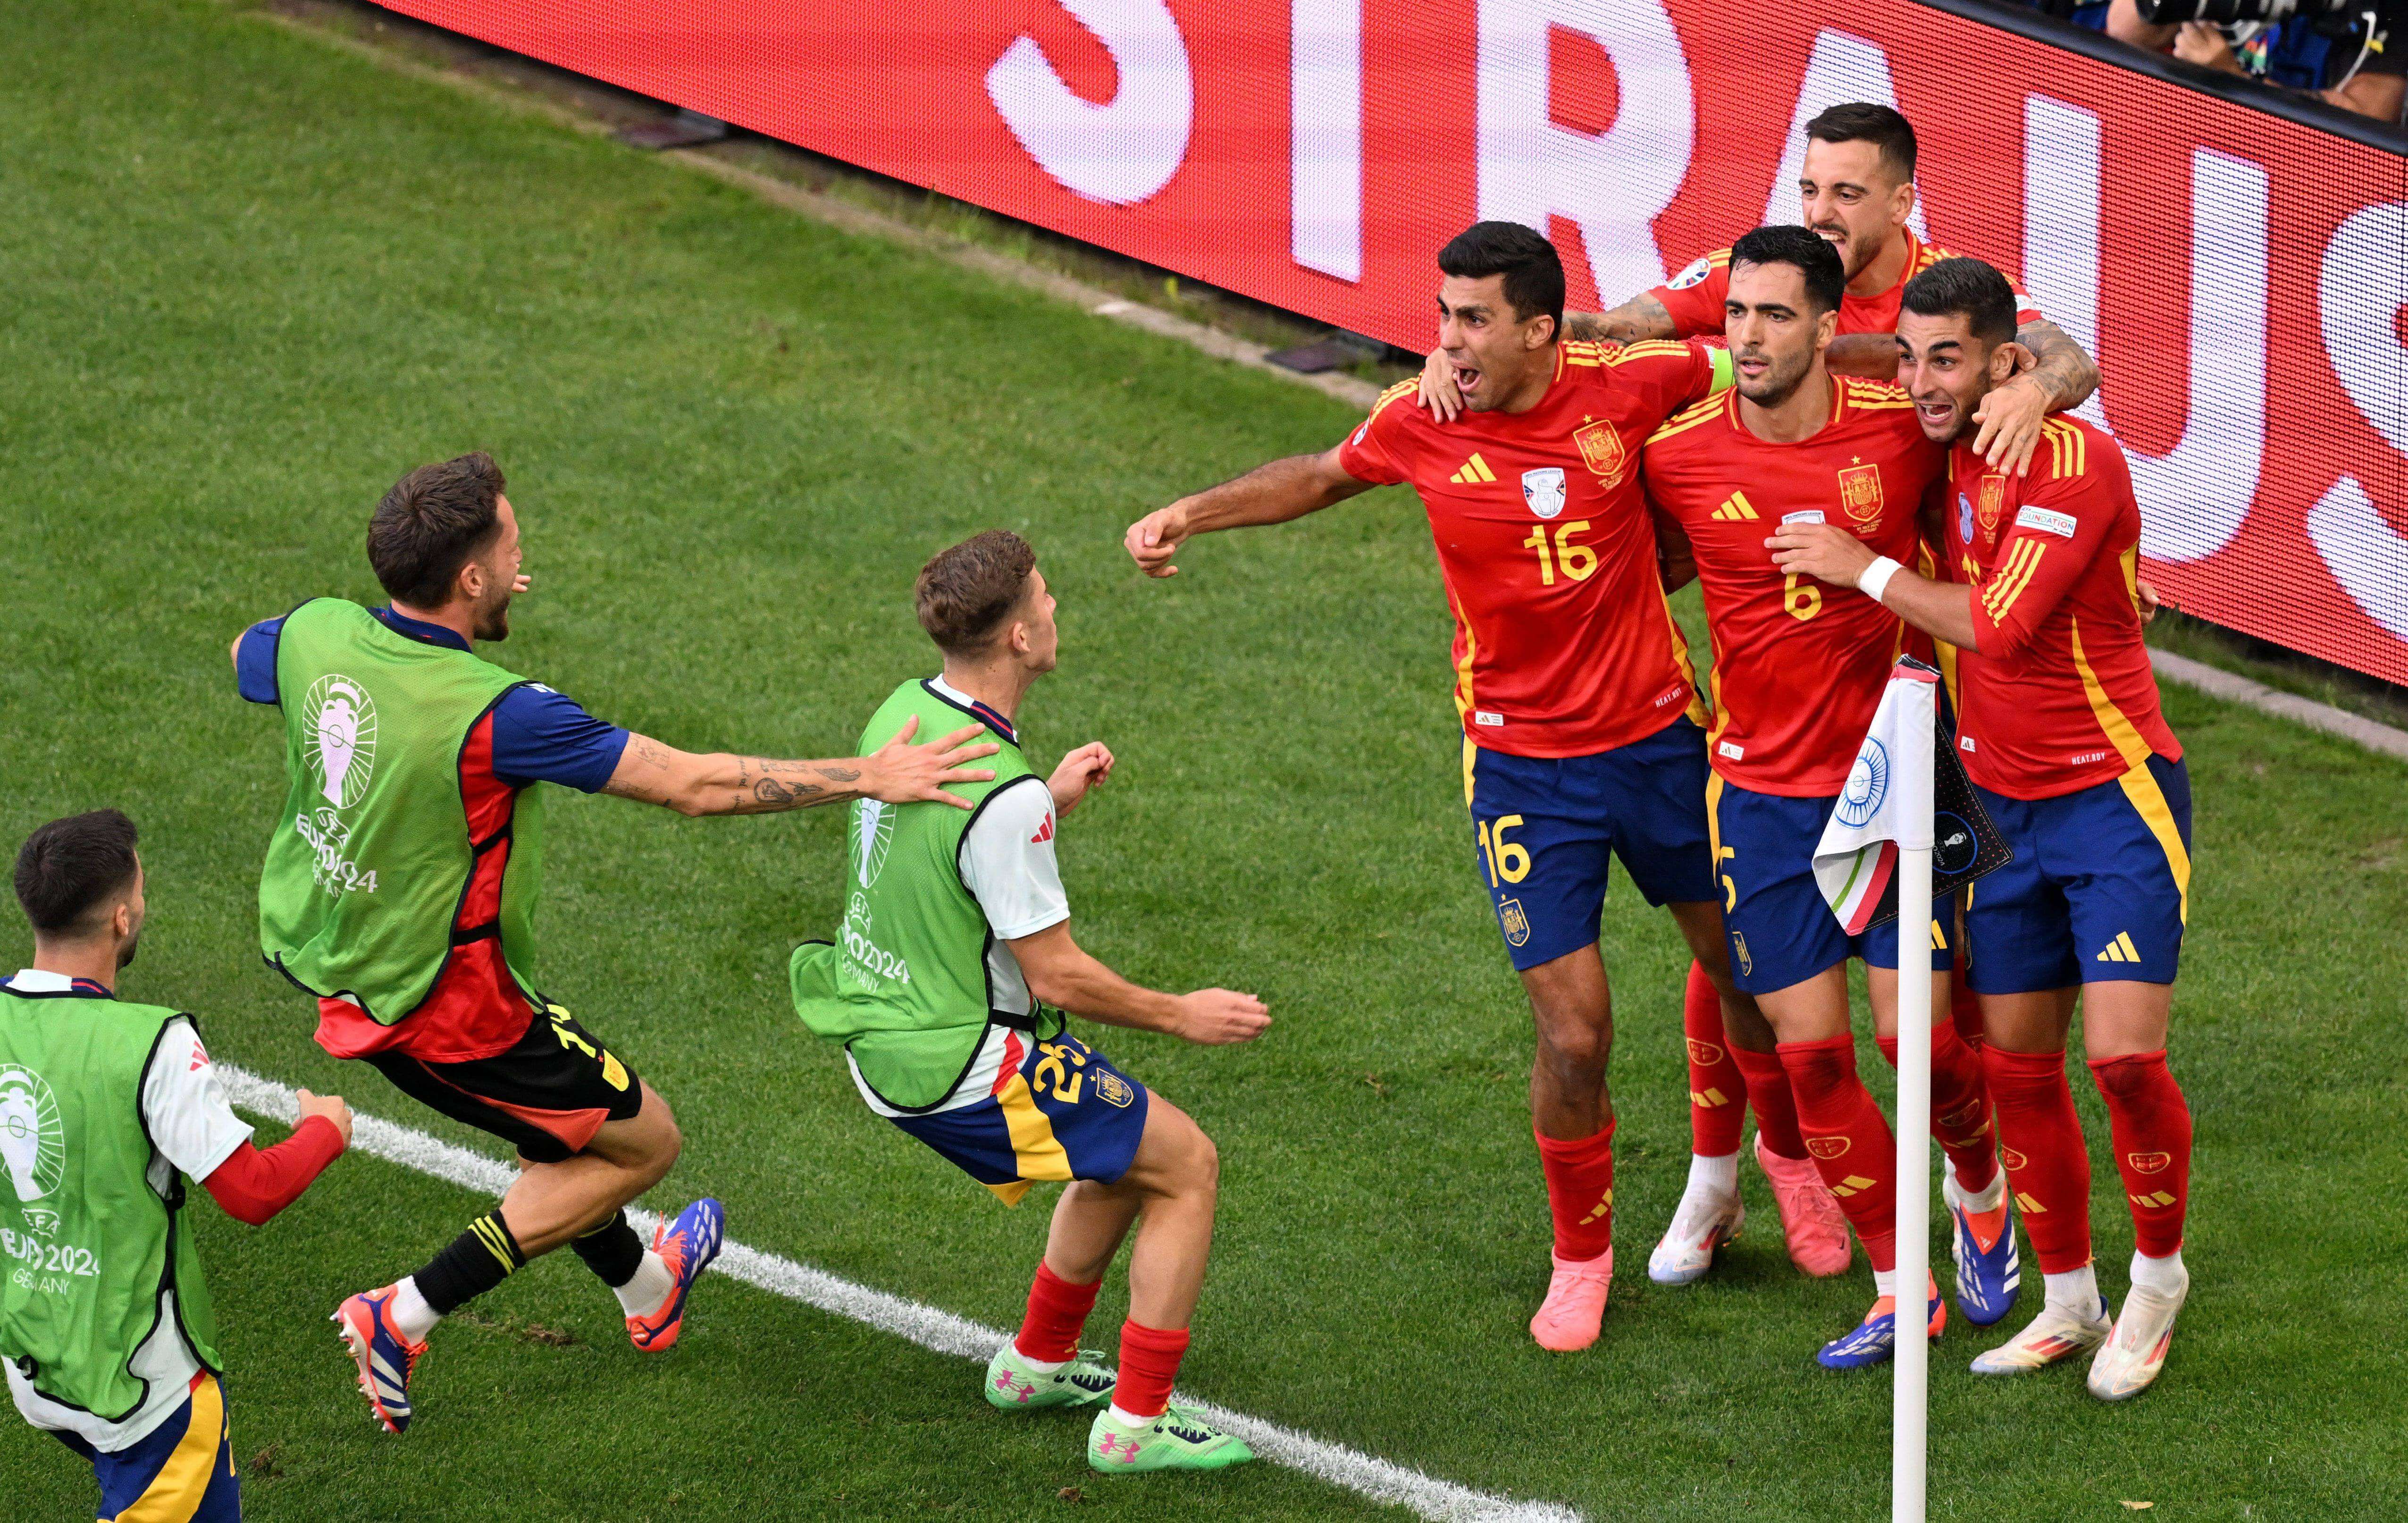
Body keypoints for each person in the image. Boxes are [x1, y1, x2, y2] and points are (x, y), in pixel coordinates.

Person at [1125, 222, 1848, 1354]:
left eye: (1474, 320)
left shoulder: (1633, 380)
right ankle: (1582, 1259)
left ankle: (1788, 1159)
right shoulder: (1424, 418)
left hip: (1664, 744)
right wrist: (1186, 514)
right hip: (1522, 770)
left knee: (1748, 967)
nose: (1450, 341)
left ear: (1542, 329)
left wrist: (1964, 371)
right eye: (1444, 316)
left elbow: (1773, 362)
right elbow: (1321, 474)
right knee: (1575, 1037)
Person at [231, 452, 998, 1433]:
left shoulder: (311, 634)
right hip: (453, 1009)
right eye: (511, 550)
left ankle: (647, 1285)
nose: (522, 561)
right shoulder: (501, 713)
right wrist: (869, 773)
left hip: (352, 967)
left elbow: (245, 656)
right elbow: (692, 782)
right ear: (469, 579)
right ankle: (401, 1312)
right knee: (644, 1142)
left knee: (563, 1130)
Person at [1770, 255, 2195, 1400]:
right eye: (1909, 356)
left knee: (2123, 1061)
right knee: (2017, 1070)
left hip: (2112, 800)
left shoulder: (2077, 461)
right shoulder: (1950, 446)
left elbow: (1999, 630)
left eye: (1946, 358)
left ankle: (2157, 1280)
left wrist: (1861, 569)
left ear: (2007, 361)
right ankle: (2069, 1298)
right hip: (1996, 801)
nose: (1919, 380)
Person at [790, 530, 1266, 1474]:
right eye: (1044, 600)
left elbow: (947, 854)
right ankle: (1136, 1425)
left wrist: (1047, 796)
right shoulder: (1004, 802)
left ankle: (1035, 1363)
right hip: (959, 1058)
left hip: (880, 1026)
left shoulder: (903, 714)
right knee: (1187, 1165)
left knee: (1120, 1149)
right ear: (1015, 636)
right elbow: (1058, 977)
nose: (1055, 612)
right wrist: (1182, 1011)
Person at [1640, 227, 2019, 1367]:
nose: (1748, 337)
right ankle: (1906, 1288)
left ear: (1825, 328)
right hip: (1756, 792)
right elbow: (1637, 563)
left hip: (1897, 771)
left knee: (1927, 1046)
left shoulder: (1901, 427)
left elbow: (2033, 377)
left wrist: (2043, 375)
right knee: (1811, 1060)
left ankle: (1982, 1186)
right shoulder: (1678, 456)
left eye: (1772, 316)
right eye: (1735, 316)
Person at [3, 810, 352, 1522]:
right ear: (122, 917)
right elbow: (252, 1191)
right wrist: (325, 1130)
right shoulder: (152, 1044)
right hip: (148, 1392)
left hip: (37, 1358)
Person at [2107, 0, 2406, 125]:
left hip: (2297, 187)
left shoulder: (2387, 10)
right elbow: (2125, 30)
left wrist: (2232, 80)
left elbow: (2368, 121)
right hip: (2195, 149)